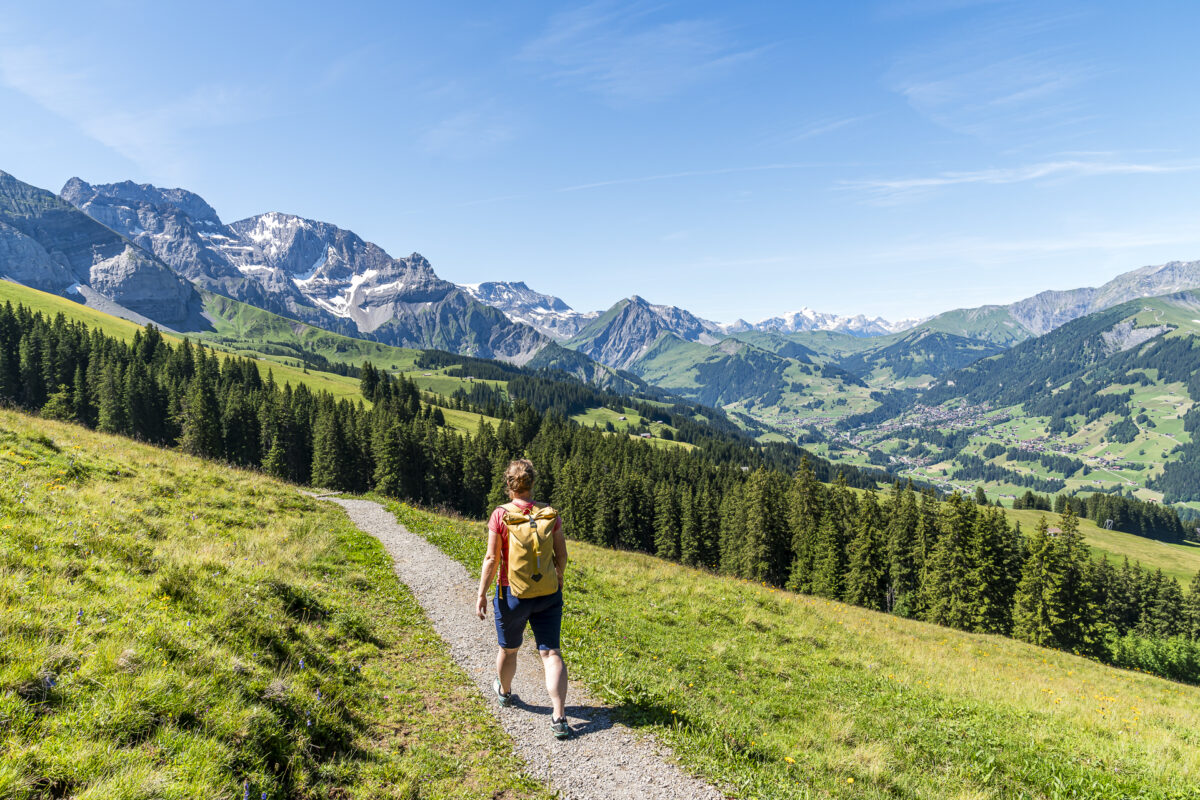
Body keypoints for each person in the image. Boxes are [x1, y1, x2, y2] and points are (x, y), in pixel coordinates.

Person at [475, 458, 571, 739]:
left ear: (509, 485)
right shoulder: (549, 514)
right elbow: (561, 555)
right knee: (551, 653)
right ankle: (559, 716)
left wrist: (481, 593)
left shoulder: (500, 515)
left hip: (512, 594)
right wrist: (559, 577)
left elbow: (492, 558)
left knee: (509, 649)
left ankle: (505, 692)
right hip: (548, 594)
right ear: (532, 483)